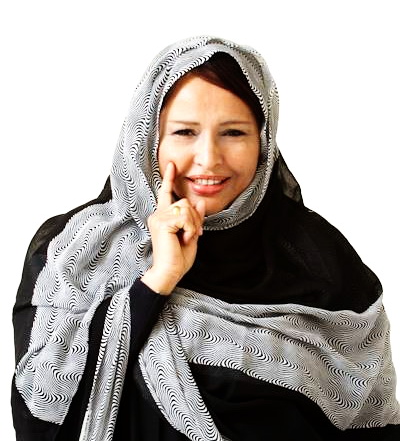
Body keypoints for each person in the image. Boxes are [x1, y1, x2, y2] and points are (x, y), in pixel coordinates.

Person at [11, 36, 400, 440]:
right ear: (148, 139)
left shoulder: (320, 262)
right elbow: (40, 417)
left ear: (263, 142)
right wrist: (155, 283)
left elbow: (372, 423)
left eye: (233, 132)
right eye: (184, 132)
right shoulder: (74, 254)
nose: (209, 158)